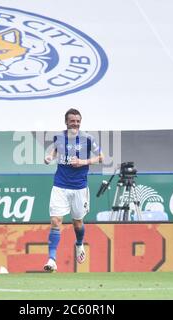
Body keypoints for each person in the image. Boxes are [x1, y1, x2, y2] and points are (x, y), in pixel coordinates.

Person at [43, 108, 104, 272]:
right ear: (66, 122)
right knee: (56, 221)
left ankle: (79, 244)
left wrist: (83, 162)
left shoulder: (88, 139)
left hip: (79, 187)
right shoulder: (59, 137)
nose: (75, 124)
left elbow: (101, 158)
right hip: (60, 185)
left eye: (78, 121)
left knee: (77, 223)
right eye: (72, 121)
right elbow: (55, 151)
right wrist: (50, 157)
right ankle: (52, 259)